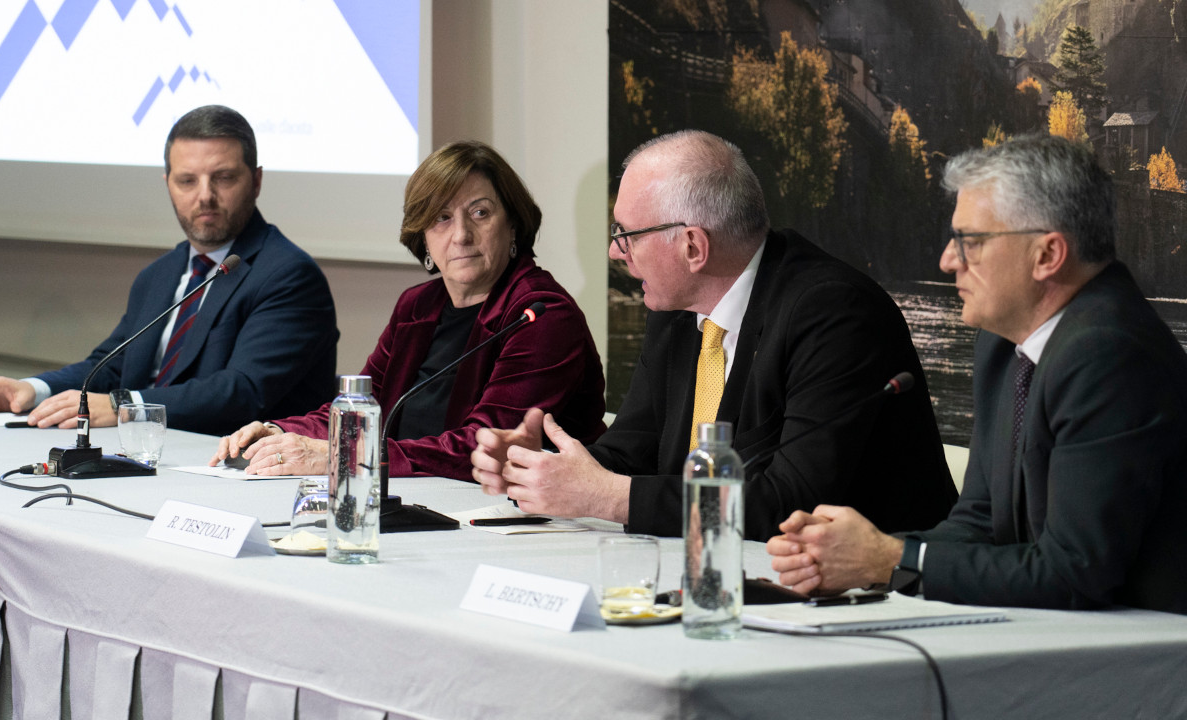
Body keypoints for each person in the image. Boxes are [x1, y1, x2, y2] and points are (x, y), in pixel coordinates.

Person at [768, 135, 1187, 614]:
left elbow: (1075, 573)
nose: (949, 260)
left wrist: (887, 561)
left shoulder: (1109, 353)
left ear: (1047, 255)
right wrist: (845, 558)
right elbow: (979, 523)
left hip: (1150, 659)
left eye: (970, 241)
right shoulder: (1003, 342)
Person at [471, 129, 956, 540]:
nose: (616, 252)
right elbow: (630, 452)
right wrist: (544, 469)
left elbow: (789, 504)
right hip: (725, 573)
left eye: (625, 233)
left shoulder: (834, 314)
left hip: (866, 598)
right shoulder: (676, 310)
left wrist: (606, 497)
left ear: (692, 247)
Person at [211, 140, 607, 480]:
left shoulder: (541, 314)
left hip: (519, 522)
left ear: (514, 225)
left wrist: (347, 457)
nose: (462, 235)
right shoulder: (417, 307)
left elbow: (486, 447)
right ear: (423, 236)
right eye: (442, 218)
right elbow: (359, 411)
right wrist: (275, 430)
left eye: (481, 213)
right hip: (420, 504)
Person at [0, 105, 338, 436]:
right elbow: (110, 365)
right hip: (146, 453)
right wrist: (33, 388)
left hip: (238, 468)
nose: (204, 195)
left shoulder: (288, 275)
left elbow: (241, 392)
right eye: (187, 180)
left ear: (255, 181)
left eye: (222, 177)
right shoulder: (161, 274)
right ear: (168, 184)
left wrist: (125, 406)